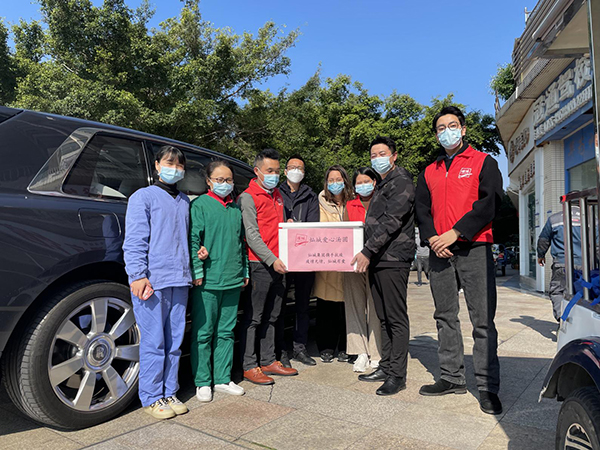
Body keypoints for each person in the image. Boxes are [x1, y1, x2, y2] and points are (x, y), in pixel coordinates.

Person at [415, 106, 503, 415]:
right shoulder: (429, 171)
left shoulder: (483, 162)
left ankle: (488, 387)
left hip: (474, 247)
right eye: (441, 128)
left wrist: (456, 232)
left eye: (452, 125)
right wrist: (433, 239)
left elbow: (490, 203)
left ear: (463, 129)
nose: (447, 132)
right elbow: (421, 210)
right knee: (445, 316)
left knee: (482, 320)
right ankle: (452, 377)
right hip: (439, 252)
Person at [123, 145, 191, 419]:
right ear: (157, 165)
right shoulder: (143, 197)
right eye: (169, 163)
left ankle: (169, 390)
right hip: (152, 280)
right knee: (154, 341)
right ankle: (152, 396)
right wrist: (137, 275)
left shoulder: (184, 200)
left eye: (179, 165)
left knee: (175, 341)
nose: (174, 168)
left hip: (180, 279)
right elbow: (135, 240)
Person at [351, 136, 415, 396]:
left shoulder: (401, 181)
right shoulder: (382, 183)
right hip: (379, 258)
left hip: (393, 258)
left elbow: (392, 220)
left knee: (396, 318)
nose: (377, 158)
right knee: (383, 316)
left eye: (382, 153)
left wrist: (367, 250)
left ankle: (397, 375)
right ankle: (386, 365)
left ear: (394, 156)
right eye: (373, 155)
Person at [189, 160, 249, 402]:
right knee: (203, 332)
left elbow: (241, 243)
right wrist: (197, 270)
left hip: (233, 279)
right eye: (220, 180)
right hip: (208, 281)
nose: (225, 184)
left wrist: (244, 271)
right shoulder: (200, 205)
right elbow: (194, 240)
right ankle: (202, 381)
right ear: (209, 181)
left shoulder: (235, 209)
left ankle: (222, 378)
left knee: (226, 331)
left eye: (229, 180)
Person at [238, 148, 298, 385]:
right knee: (254, 317)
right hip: (260, 264)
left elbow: (277, 228)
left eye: (276, 170)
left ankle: (268, 360)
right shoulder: (248, 197)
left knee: (273, 316)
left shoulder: (278, 195)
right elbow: (251, 235)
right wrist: (272, 259)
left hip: (280, 264)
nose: (274, 175)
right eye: (269, 170)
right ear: (257, 171)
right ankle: (249, 365)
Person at [277, 155, 320, 367]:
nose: (296, 171)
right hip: (281, 258)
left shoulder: (311, 196)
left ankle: (300, 348)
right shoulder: (276, 192)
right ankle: (280, 350)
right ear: (285, 171)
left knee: (303, 305)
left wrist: (295, 226)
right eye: (292, 167)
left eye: (300, 168)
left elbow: (313, 225)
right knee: (279, 306)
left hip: (304, 259)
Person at [344, 167, 382, 373]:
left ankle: (376, 353)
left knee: (375, 307)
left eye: (366, 181)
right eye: (359, 182)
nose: (363, 185)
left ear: (374, 182)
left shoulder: (382, 201)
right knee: (354, 305)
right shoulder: (350, 205)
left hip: (377, 261)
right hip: (352, 263)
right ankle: (360, 352)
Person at [313, 165, 353, 363]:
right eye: (331, 180)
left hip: (349, 263)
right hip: (327, 263)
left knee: (348, 308)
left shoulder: (353, 202)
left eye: (339, 179)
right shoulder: (318, 203)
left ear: (345, 181)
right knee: (326, 307)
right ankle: (326, 347)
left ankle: (347, 347)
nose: (335, 183)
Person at [537, 207, 582, 321]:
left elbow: (543, 239)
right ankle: (578, 322)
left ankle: (563, 320)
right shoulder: (591, 219)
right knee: (582, 293)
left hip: (562, 263)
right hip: (584, 265)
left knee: (557, 292)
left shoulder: (554, 219)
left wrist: (541, 255)